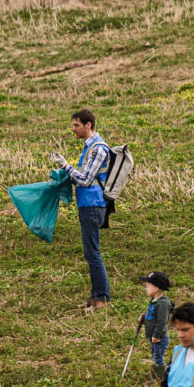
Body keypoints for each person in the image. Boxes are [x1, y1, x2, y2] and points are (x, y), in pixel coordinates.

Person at [62, 107, 112, 310]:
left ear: (88, 125)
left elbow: (85, 179)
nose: (73, 129)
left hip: (93, 204)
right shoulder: (89, 147)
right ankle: (95, 297)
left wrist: (66, 166)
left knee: (93, 253)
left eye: (77, 125)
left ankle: (102, 299)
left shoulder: (98, 149)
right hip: (86, 203)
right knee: (90, 253)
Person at [139, 271, 173, 382]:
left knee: (158, 358)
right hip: (155, 337)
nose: (146, 288)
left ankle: (159, 377)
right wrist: (145, 318)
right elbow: (153, 316)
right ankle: (156, 374)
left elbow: (162, 322)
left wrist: (156, 335)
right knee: (155, 356)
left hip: (159, 338)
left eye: (148, 286)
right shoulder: (154, 300)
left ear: (156, 288)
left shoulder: (162, 304)